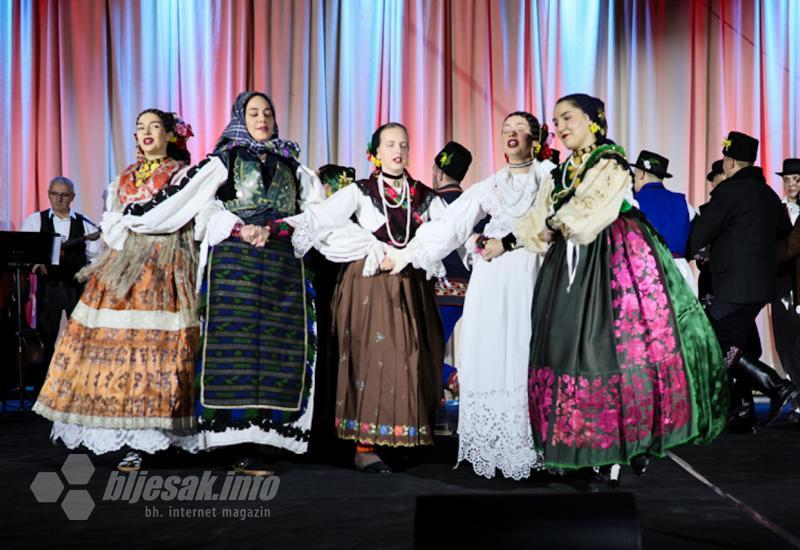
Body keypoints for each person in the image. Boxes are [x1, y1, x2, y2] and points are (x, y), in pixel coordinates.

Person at [516, 94, 728, 482]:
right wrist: (508, 241)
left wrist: (553, 224)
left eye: (568, 118)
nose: (561, 126)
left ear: (594, 121)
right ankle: (576, 447)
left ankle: (615, 451)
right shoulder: (560, 173)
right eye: (556, 120)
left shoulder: (609, 163)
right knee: (564, 350)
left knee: (607, 352)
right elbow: (537, 221)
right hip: (566, 269)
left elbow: (586, 215)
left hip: (611, 265)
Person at [32, 109, 206, 471]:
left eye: (154, 127)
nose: (145, 133)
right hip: (124, 267)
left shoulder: (183, 174)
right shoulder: (124, 177)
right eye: (140, 127)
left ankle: (168, 433)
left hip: (165, 266)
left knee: (163, 351)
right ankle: (133, 441)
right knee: (119, 351)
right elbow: (113, 217)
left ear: (170, 134)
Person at [394, 112, 555, 479]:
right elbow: (448, 229)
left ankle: (535, 444)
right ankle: (496, 445)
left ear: (535, 137)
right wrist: (404, 255)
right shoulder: (488, 187)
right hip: (492, 283)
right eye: (505, 129)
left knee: (528, 351)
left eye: (519, 130)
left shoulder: (549, 179)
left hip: (533, 276)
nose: (511, 135)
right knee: (493, 351)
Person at [284, 122, 446, 474]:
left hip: (409, 285)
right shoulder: (359, 192)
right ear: (376, 152)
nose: (398, 150)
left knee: (409, 357)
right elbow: (321, 219)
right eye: (390, 144)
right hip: (369, 286)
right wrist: (280, 227)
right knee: (372, 357)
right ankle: (364, 446)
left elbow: (447, 232)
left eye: (403, 144)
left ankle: (398, 439)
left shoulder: (424, 196)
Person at [192, 91, 326, 476]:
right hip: (235, 262)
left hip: (282, 264)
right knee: (235, 344)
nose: (262, 118)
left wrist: (279, 227)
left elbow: (315, 211)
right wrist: (239, 227)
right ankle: (234, 442)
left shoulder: (293, 165)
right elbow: (203, 205)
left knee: (277, 349)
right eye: (254, 113)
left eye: (267, 112)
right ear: (240, 117)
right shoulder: (223, 160)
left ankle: (268, 438)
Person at [688, 131, 797, 428]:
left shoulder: (728, 193)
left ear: (731, 161)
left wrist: (685, 251)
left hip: (731, 286)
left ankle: (775, 386)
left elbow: (701, 232)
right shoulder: (768, 195)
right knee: (729, 344)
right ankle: (743, 405)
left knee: (709, 340)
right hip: (761, 287)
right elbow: (784, 234)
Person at [20, 177, 103, 369]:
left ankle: (79, 380)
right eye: (54, 194)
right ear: (49, 194)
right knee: (45, 336)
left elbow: (97, 258)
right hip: (48, 289)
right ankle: (44, 385)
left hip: (75, 287)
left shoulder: (85, 225)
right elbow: (25, 252)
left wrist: (86, 274)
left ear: (72, 197)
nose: (58, 199)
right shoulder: (35, 221)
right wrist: (34, 263)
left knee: (80, 334)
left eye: (64, 195)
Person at [429, 141, 474, 399]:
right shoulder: (475, 203)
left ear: (438, 172)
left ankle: (456, 380)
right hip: (472, 291)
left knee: (420, 351)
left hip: (440, 290)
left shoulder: (430, 202)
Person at [632, 150, 698, 295]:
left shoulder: (634, 202)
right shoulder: (683, 202)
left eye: (635, 175)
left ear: (641, 174)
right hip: (682, 273)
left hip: (649, 272)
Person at [772, 158, 800, 386]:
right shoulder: (774, 211)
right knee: (784, 339)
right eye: (788, 179)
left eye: (797, 179)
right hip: (781, 284)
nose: (792, 184)